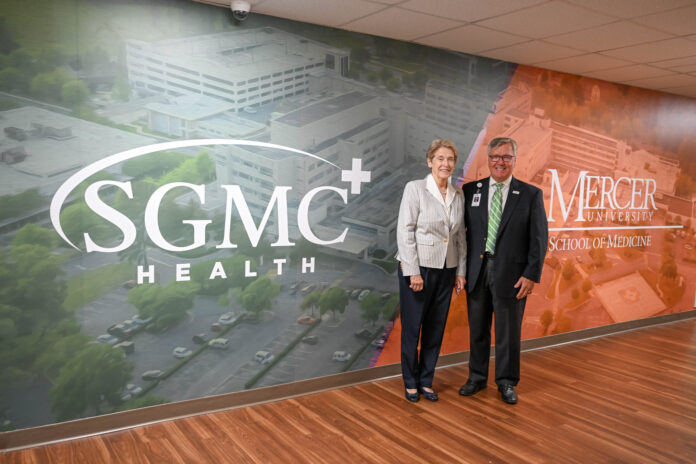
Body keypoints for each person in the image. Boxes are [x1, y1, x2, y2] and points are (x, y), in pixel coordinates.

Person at [458, 137, 548, 405]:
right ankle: (476, 377)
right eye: (495, 156)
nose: (500, 162)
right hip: (477, 271)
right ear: (488, 159)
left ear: (514, 160)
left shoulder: (531, 195)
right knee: (477, 329)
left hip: (512, 275)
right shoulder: (470, 190)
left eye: (506, 157)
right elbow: (459, 234)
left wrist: (531, 274)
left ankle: (506, 382)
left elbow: (539, 238)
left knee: (508, 333)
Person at [396, 139, 467, 403]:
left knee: (435, 329)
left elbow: (460, 238)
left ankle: (426, 380)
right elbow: (405, 232)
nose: (445, 164)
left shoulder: (458, 194)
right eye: (440, 158)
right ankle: (410, 382)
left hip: (446, 269)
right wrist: (412, 271)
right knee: (412, 329)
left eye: (450, 159)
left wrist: (461, 272)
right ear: (430, 161)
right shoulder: (415, 189)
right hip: (418, 268)